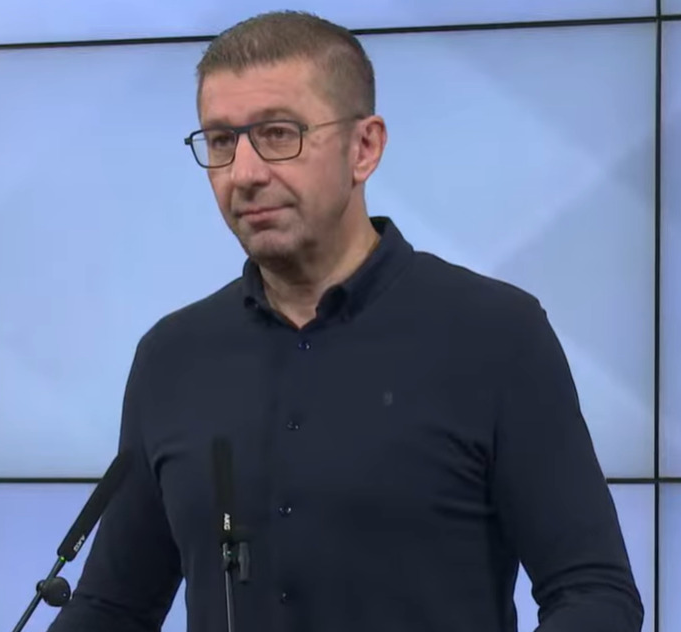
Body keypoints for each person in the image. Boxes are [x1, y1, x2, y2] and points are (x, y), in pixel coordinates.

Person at [47, 10, 643, 632]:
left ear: (364, 148)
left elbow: (593, 594)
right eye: (221, 142)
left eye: (278, 134)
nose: (245, 174)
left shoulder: (496, 335)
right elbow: (113, 607)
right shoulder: (172, 357)